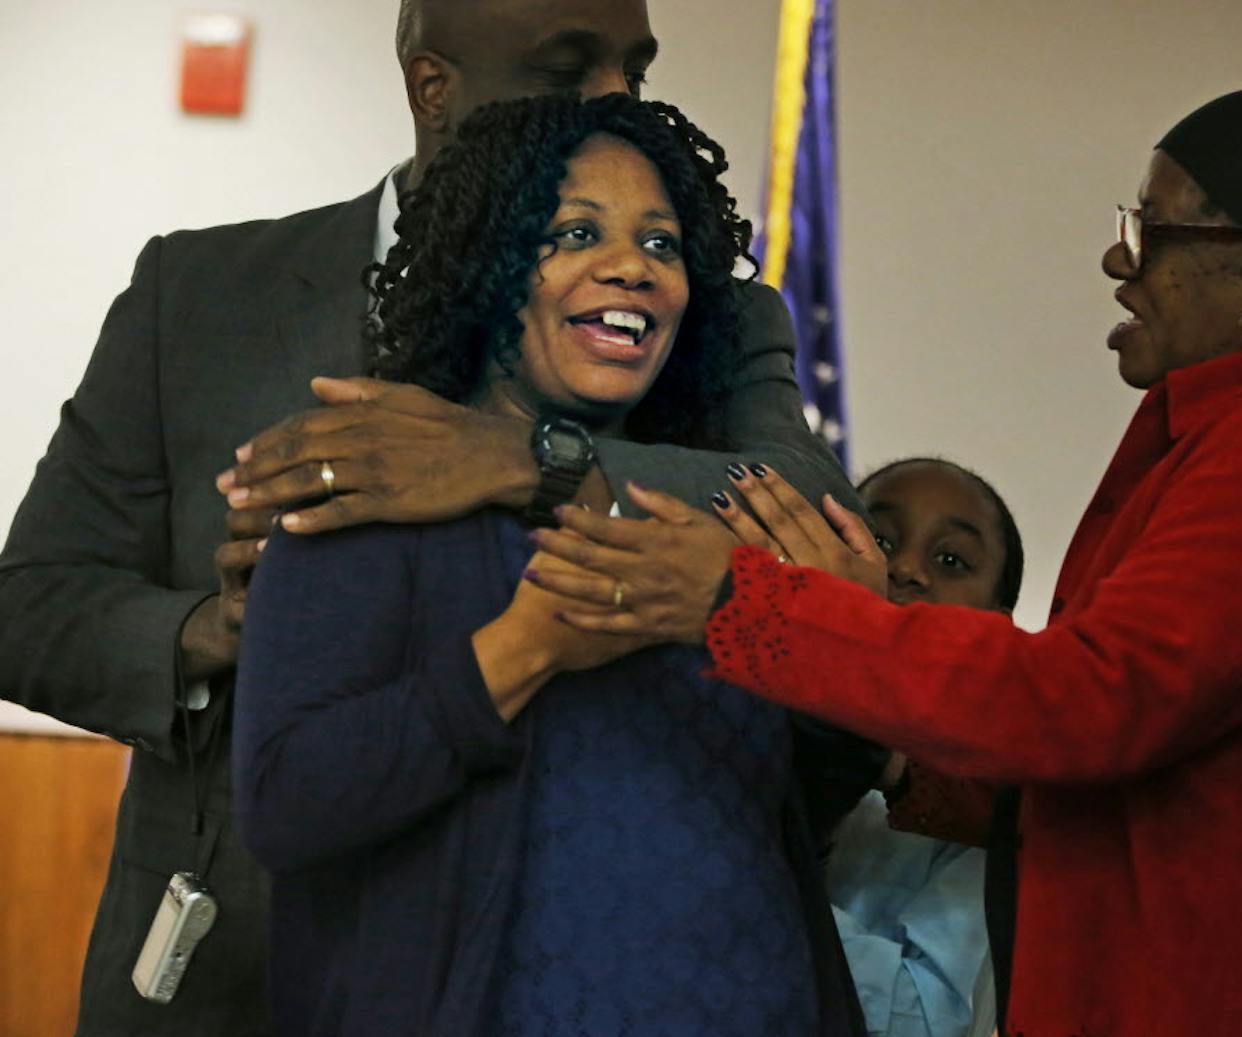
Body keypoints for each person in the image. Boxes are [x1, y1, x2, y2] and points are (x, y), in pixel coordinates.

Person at [0, 3, 854, 1034]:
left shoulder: (705, 309)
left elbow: (817, 520)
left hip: (613, 953)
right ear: (431, 86)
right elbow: (29, 604)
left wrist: (526, 463)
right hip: (232, 958)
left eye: (636, 64)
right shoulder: (199, 294)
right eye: (569, 65)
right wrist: (222, 631)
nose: (620, 96)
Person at [524, 70, 1242, 1035]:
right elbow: (1114, 776)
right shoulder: (1228, 430)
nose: (1121, 263)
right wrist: (883, 747)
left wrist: (743, 601)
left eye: (1156, 234)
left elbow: (1088, 703)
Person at [236, 93, 866, 1037]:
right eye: (575, 232)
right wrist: (521, 651)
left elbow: (805, 790)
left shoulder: (724, 513)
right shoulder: (380, 490)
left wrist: (845, 661)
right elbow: (286, 802)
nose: (632, 268)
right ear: (488, 271)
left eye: (663, 245)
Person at [826, 458, 1022, 1037]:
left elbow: (928, 1017)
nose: (905, 568)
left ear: (997, 626)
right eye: (879, 539)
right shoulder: (748, 732)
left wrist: (759, 881)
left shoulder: (991, 803)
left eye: (951, 560)